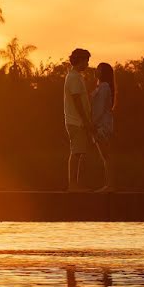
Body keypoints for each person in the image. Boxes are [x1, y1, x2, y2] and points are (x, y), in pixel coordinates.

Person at [64, 48, 93, 190]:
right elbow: (77, 101)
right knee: (76, 152)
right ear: (80, 60)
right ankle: (73, 185)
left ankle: (76, 184)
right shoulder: (74, 77)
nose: (87, 64)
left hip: (77, 121)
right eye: (86, 61)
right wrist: (86, 121)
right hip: (76, 122)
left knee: (79, 152)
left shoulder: (76, 76)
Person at [91, 62, 116, 191]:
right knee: (105, 156)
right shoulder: (100, 86)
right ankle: (109, 184)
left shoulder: (104, 86)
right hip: (100, 125)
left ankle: (110, 185)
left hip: (102, 126)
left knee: (106, 156)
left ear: (103, 72)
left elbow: (99, 108)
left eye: (98, 69)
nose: (95, 70)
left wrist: (92, 124)